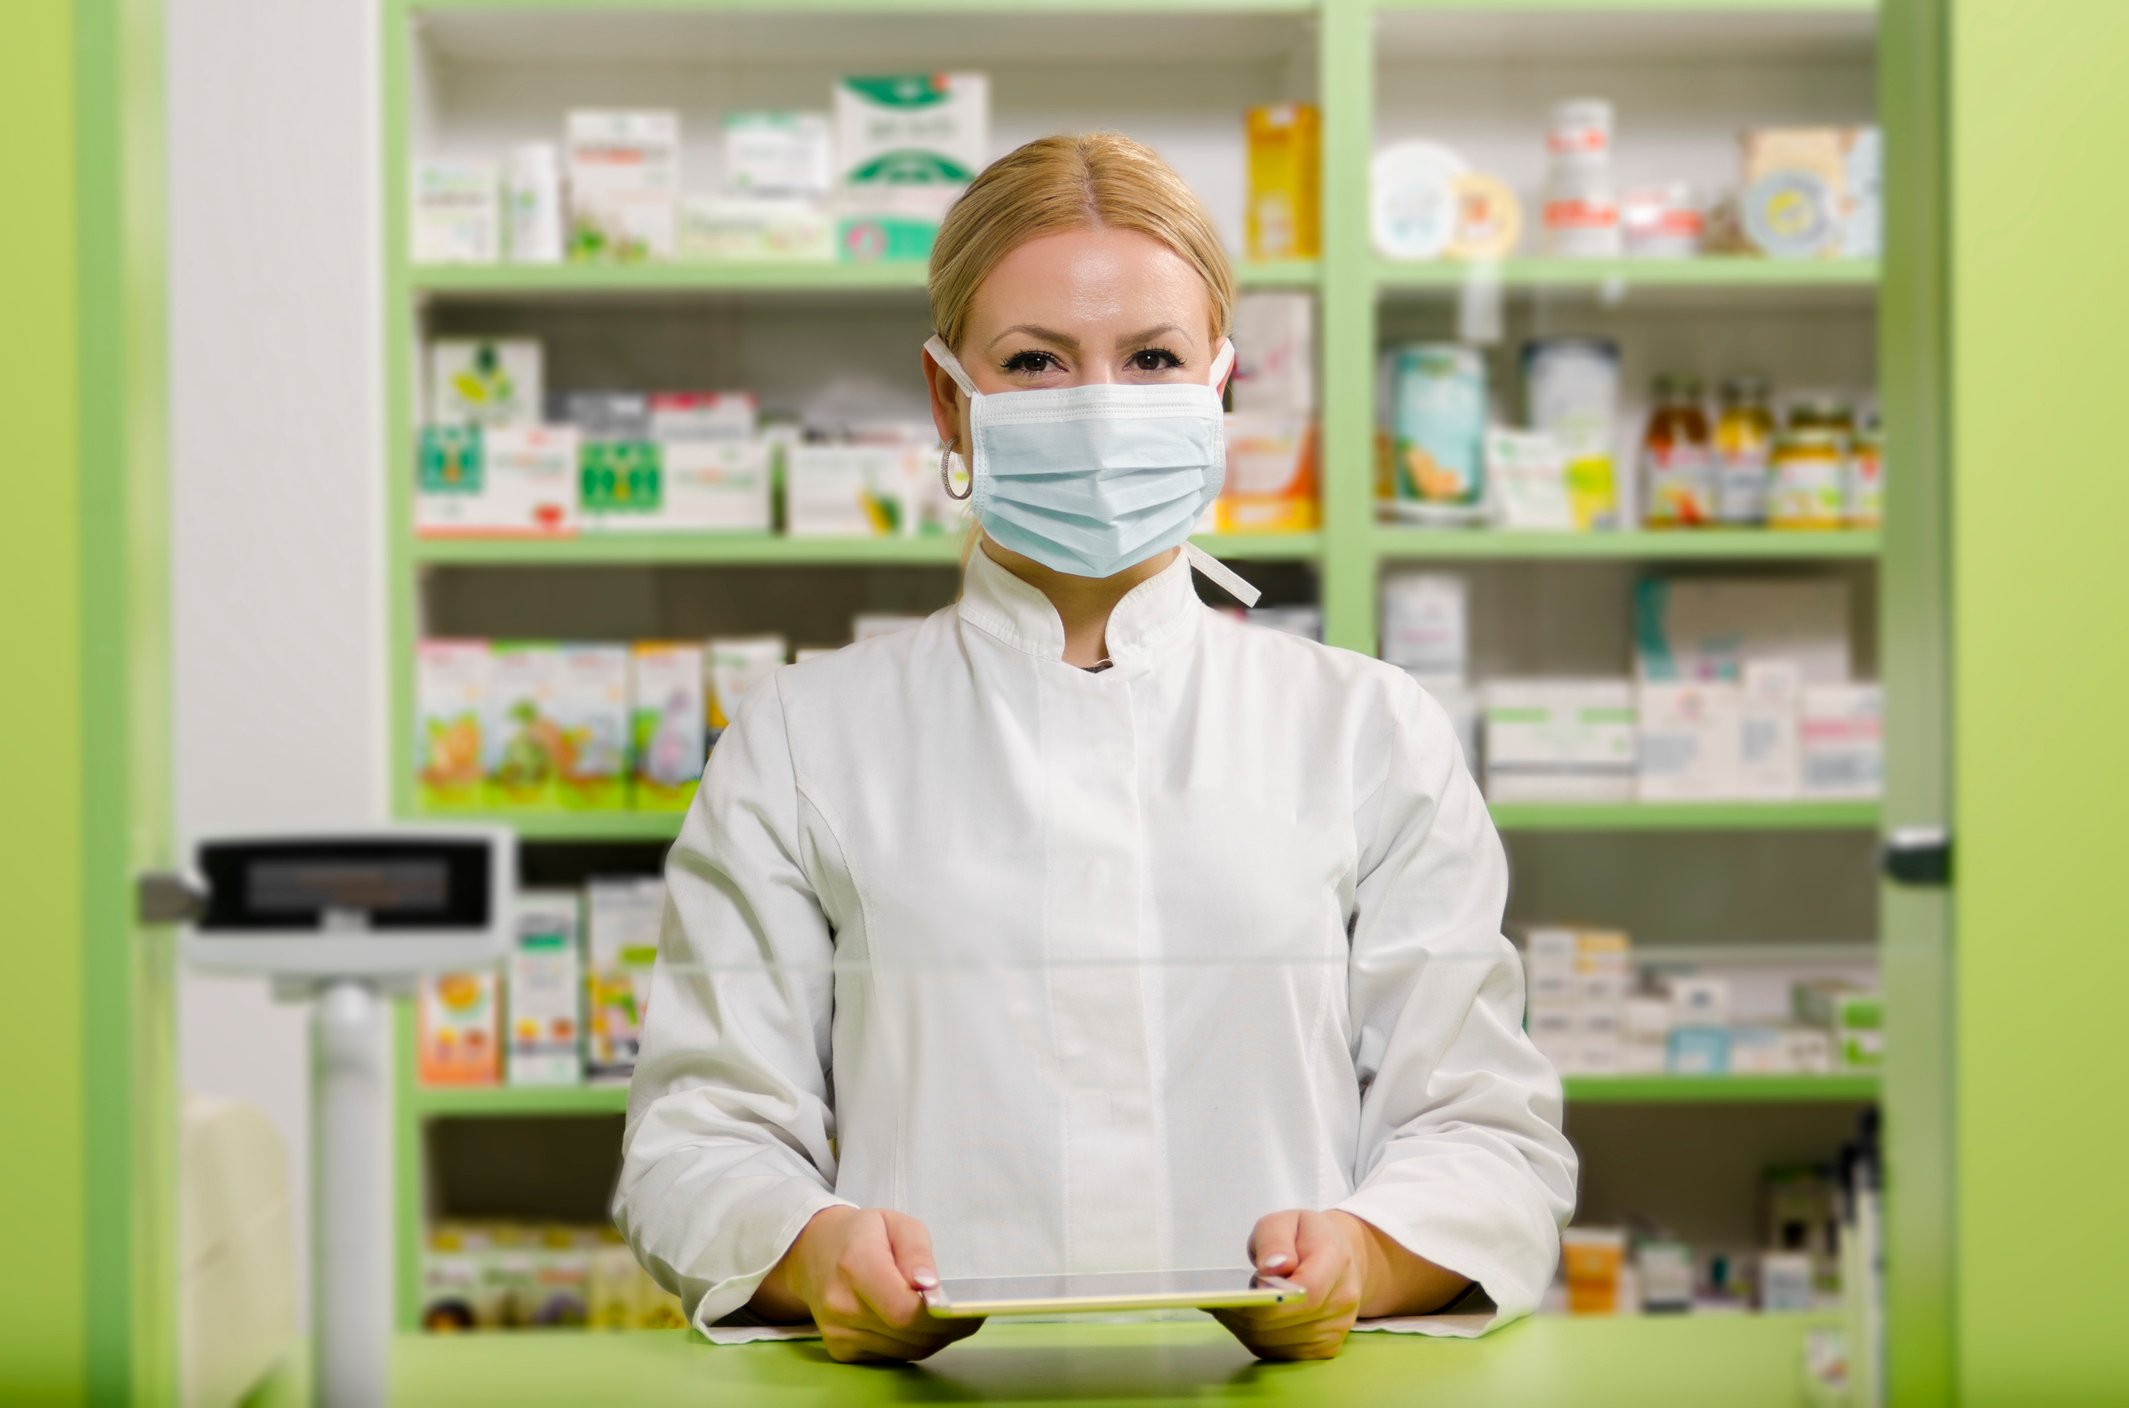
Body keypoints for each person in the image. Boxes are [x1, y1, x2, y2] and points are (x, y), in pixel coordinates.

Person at [615, 132, 1577, 1365]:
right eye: (1033, 361)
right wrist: (811, 1252)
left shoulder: (1364, 730)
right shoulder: (805, 737)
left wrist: (1368, 1254)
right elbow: (698, 1137)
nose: (1100, 405)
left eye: (1152, 358)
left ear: (1217, 387)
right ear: (947, 398)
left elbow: (1484, 1132)